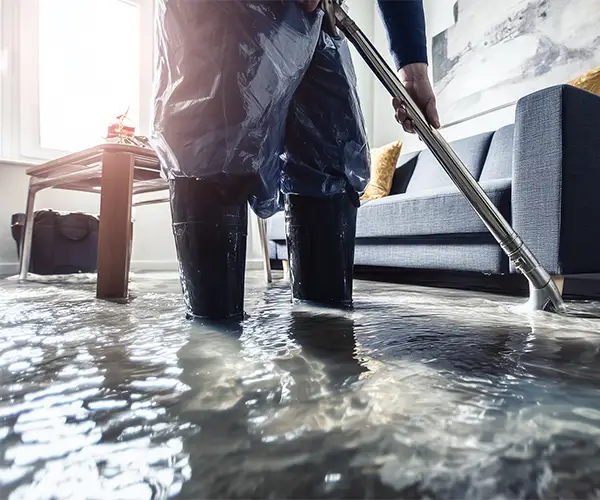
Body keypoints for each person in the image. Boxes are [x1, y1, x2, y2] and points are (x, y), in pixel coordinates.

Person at [150, 0, 440, 321]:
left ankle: (323, 331)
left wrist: (413, 67)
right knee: (212, 142)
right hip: (220, 10)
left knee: (332, 159)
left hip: (319, 18)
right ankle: (213, 337)